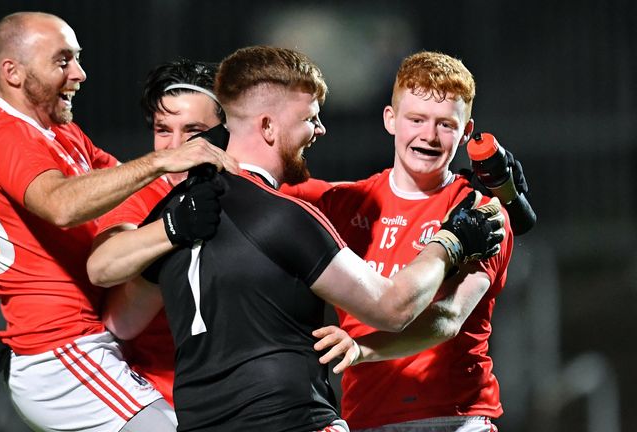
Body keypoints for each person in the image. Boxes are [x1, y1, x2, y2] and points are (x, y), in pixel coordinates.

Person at [97, 45, 505, 432]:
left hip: (449, 414)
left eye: (446, 124)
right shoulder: (294, 215)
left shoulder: (178, 214)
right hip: (299, 417)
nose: (320, 129)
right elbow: (393, 307)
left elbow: (121, 317)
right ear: (269, 126)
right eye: (309, 118)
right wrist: (449, 242)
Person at [0, 11, 235, 432]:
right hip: (64, 351)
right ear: (12, 72)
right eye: (63, 60)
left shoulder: (57, 130)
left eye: (78, 58)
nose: (80, 73)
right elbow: (61, 205)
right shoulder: (6, 133)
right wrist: (167, 161)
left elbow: (135, 182)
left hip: (82, 346)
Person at [312, 51, 514, 432]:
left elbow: (451, 317)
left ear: (467, 132)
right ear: (391, 120)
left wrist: (363, 350)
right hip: (364, 419)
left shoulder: (481, 211)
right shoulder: (342, 204)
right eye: (416, 119)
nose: (429, 135)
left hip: (456, 418)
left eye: (445, 124)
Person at [88, 58, 227, 406]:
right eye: (163, 130)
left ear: (226, 130)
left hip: (251, 398)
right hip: (166, 401)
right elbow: (104, 272)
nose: (175, 146)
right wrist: (174, 227)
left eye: (193, 130)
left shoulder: (256, 189)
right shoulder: (140, 196)